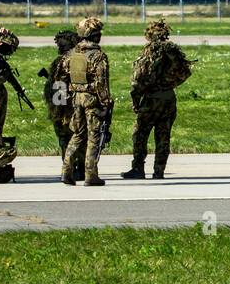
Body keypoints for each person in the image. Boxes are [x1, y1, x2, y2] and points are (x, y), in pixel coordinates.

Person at [124, 18, 192, 180]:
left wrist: (136, 101)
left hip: (151, 99)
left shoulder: (149, 52)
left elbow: (137, 81)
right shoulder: (173, 52)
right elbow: (186, 72)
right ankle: (159, 171)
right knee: (163, 137)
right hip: (169, 98)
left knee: (140, 134)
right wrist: (169, 84)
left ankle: (138, 168)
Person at [59, 16, 111, 187]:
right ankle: (91, 174)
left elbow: (62, 77)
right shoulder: (98, 56)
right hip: (92, 100)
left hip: (76, 99)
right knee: (94, 136)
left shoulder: (71, 54)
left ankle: (66, 171)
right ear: (95, 35)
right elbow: (102, 83)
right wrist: (105, 103)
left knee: (78, 134)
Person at [40, 29, 81, 181]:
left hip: (64, 107)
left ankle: (68, 169)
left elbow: (59, 88)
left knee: (65, 138)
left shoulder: (60, 62)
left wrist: (58, 113)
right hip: (79, 105)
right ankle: (81, 168)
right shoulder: (81, 60)